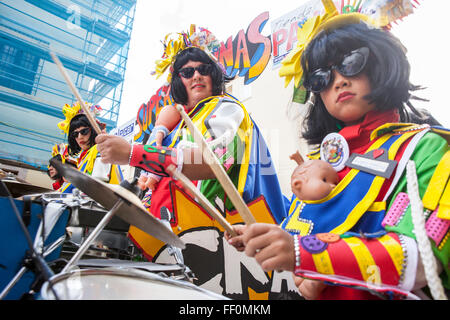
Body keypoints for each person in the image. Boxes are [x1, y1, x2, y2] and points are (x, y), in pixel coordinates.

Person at [227, 0, 449, 300]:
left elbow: (421, 257)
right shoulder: (321, 160)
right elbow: (303, 235)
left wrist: (301, 254)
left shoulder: (424, 148)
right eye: (322, 77)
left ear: (381, 63)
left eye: (351, 63)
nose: (339, 81)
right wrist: (264, 239)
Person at [95, 26, 288, 267]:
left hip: (223, 248)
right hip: (173, 243)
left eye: (203, 69)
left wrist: (133, 153)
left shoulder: (228, 109)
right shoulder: (177, 125)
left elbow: (215, 162)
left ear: (213, 74)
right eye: (187, 72)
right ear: (178, 81)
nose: (196, 76)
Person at [57, 102, 122, 193]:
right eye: (75, 134)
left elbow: (97, 186)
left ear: (94, 130)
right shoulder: (85, 156)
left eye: (84, 131)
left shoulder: (99, 150)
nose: (80, 137)